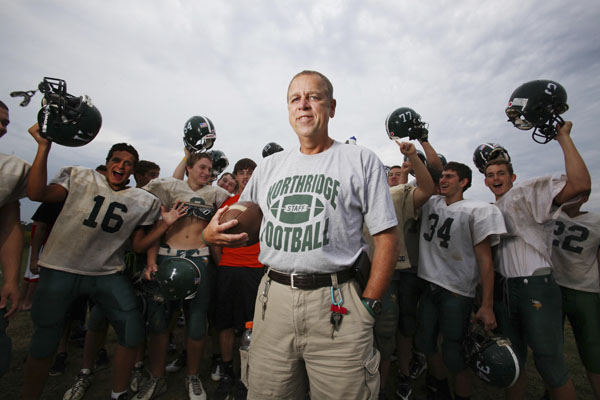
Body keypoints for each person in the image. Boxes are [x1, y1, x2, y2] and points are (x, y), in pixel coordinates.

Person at [203, 70, 399, 399]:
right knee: (268, 392)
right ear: (288, 108)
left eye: (314, 97)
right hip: (273, 300)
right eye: (296, 98)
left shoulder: (360, 160)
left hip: (338, 301)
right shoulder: (270, 166)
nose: (304, 104)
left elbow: (387, 238)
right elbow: (249, 216)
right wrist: (219, 228)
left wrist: (368, 307)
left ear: (332, 107)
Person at [23, 123, 186, 400]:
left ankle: (118, 392)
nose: (121, 167)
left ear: (133, 170)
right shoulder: (81, 176)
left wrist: (163, 226)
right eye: (117, 160)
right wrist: (43, 147)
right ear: (108, 162)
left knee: (132, 328)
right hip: (62, 267)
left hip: (106, 273)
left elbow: (137, 245)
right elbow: (37, 194)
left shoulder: (141, 199)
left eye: (128, 164)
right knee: (44, 340)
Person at [483, 120, 590, 400]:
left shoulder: (525, 193)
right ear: (485, 181)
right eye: (491, 174)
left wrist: (563, 137)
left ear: (513, 177)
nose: (496, 178)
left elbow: (579, 184)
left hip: (535, 285)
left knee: (550, 365)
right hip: (506, 289)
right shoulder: (492, 209)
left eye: (501, 173)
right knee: (512, 362)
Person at [137, 151, 230, 400]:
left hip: (200, 261)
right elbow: (157, 228)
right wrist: (151, 260)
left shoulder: (217, 195)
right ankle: (156, 377)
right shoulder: (169, 188)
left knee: (197, 323)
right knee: (159, 323)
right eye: (201, 167)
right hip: (168, 257)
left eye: (209, 169)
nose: (206, 173)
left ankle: (193, 375)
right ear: (188, 168)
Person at [416, 162, 506, 400]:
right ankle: (441, 387)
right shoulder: (431, 202)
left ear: (464, 182)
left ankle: (463, 396)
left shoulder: (476, 209)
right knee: (426, 342)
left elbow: (486, 262)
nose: (443, 180)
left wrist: (486, 305)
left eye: (450, 176)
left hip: (457, 291)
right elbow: (429, 173)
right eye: (442, 176)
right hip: (429, 284)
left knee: (455, 352)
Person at [367, 141, 435, 399]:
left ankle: (403, 373)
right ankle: (377, 381)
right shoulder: (366, 196)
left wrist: (412, 157)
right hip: (371, 270)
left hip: (403, 270)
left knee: (404, 326)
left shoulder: (400, 193)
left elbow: (427, 188)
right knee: (378, 329)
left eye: (398, 173)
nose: (393, 176)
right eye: (390, 173)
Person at [212, 158, 263, 400]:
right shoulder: (227, 204)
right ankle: (226, 370)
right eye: (241, 173)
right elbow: (215, 238)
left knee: (252, 324)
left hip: (256, 268)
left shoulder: (264, 204)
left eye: (249, 172)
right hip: (229, 267)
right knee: (224, 322)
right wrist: (221, 263)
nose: (245, 176)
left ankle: (247, 374)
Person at [550, 191, 600, 399]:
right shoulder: (551, 214)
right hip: (552, 287)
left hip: (584, 290)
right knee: (550, 347)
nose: (570, 198)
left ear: (585, 198)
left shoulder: (596, 221)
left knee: (592, 349)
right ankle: (553, 390)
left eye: (576, 195)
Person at [0, 100, 30, 377]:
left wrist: (10, 280)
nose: (1, 128)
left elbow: (10, 225)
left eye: (5, 123)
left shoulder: (8, 169)